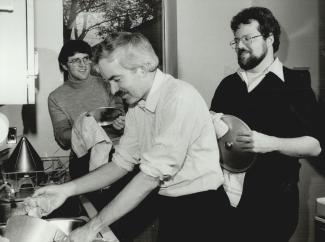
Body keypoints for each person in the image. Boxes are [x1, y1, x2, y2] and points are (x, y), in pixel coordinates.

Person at [34, 32, 231, 242]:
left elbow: (150, 176)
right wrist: (64, 190)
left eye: (116, 79)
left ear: (143, 68)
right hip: (171, 204)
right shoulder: (137, 106)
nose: (113, 89)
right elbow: (121, 163)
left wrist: (92, 228)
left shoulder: (178, 97)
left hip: (202, 208)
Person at [210, 6, 325, 242]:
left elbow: (315, 145)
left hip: (273, 206)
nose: (240, 45)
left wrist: (270, 143)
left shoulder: (295, 85)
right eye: (236, 40)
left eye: (248, 38)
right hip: (224, 201)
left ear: (270, 38)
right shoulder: (228, 85)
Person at [48, 39, 125, 179]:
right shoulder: (56, 97)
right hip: (82, 160)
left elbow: (120, 113)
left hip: (117, 157)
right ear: (64, 66)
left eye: (85, 59)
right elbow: (62, 137)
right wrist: (84, 128)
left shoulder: (108, 84)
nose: (83, 65)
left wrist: (121, 122)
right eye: (75, 60)